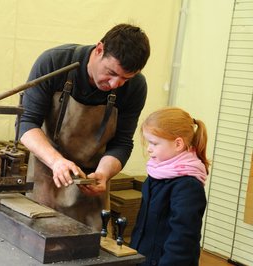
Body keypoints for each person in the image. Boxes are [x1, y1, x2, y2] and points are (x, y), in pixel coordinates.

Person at [18, 23, 150, 229]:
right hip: (48, 174)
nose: (115, 84)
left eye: (125, 78)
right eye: (111, 72)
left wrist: (104, 173)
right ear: (99, 49)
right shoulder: (55, 62)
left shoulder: (136, 87)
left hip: (92, 183)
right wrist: (57, 162)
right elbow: (26, 124)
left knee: (89, 250)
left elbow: (122, 142)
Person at [130, 107, 209, 266]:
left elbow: (183, 239)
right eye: (148, 142)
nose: (149, 148)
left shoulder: (188, 186)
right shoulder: (156, 174)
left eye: (154, 143)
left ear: (178, 144)